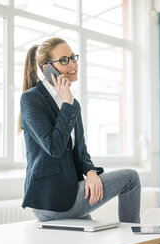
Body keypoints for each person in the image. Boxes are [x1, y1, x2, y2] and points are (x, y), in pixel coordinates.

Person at [19, 37, 141, 223]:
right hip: (50, 200)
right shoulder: (32, 99)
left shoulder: (72, 103)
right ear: (47, 68)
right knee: (130, 179)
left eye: (73, 57)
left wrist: (91, 172)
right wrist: (67, 103)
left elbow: (80, 149)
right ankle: (134, 240)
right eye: (64, 60)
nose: (73, 64)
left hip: (70, 190)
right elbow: (54, 147)